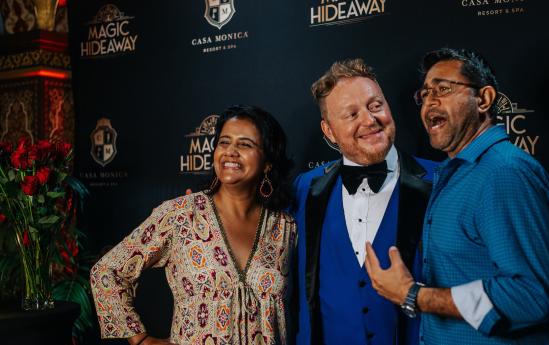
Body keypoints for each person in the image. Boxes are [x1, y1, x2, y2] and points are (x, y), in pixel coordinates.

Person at [364, 48, 549, 345]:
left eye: (443, 89)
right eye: (425, 94)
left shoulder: (503, 173)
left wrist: (412, 294)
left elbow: (530, 296)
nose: (429, 102)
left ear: (483, 100)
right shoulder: (454, 173)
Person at [90, 105, 297, 345]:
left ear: (268, 162)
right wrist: (141, 340)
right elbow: (107, 272)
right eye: (224, 142)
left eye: (245, 144)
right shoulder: (181, 215)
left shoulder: (284, 227)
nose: (230, 151)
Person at [291, 58, 437, 345]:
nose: (369, 120)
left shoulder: (440, 180)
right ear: (329, 131)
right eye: (351, 114)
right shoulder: (306, 188)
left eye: (375, 106)